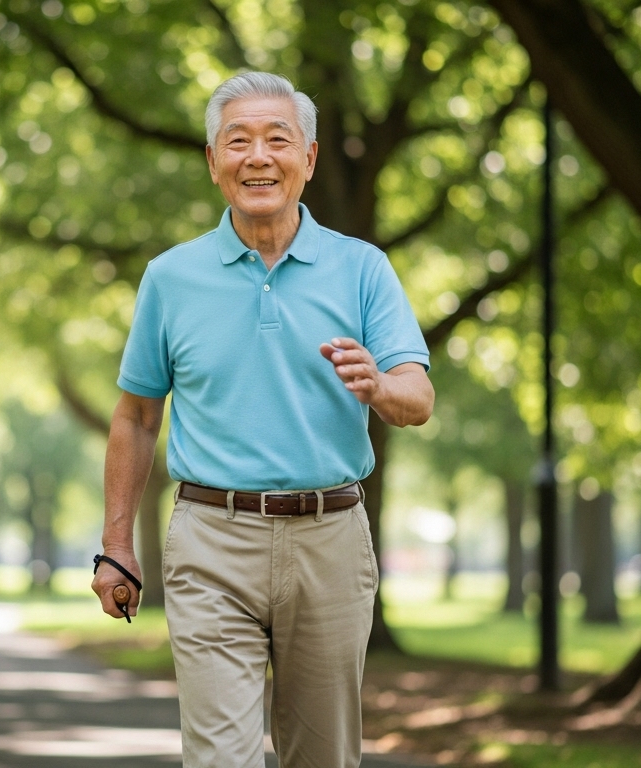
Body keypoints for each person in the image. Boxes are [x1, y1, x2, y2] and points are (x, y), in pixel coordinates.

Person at [91, 72, 434, 767]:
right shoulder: (170, 277)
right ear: (213, 163)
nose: (258, 157)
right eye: (238, 141)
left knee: (324, 757)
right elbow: (134, 417)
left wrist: (378, 385)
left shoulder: (363, 268)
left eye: (278, 140)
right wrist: (116, 543)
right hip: (211, 541)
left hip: (330, 541)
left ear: (308, 159)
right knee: (222, 759)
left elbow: (418, 396)